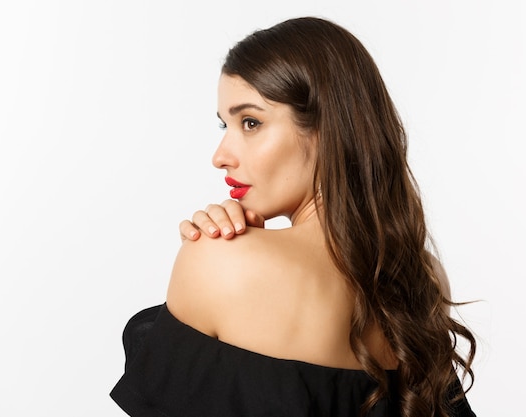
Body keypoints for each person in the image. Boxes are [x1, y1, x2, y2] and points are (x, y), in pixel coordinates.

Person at [111, 16, 476, 417]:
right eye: (224, 125)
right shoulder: (418, 277)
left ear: (325, 128)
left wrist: (219, 254)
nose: (220, 156)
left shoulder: (219, 262)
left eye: (250, 122)